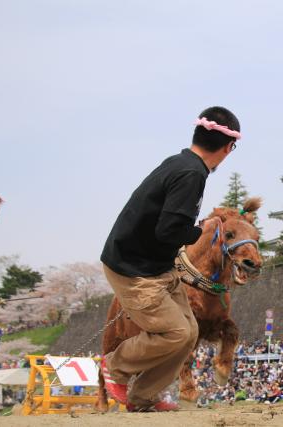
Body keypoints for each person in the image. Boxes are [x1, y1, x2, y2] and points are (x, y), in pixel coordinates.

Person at [100, 106, 242, 412]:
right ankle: (116, 365)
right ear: (228, 148)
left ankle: (143, 397)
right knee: (176, 332)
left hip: (154, 264)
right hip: (133, 268)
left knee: (189, 334)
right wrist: (201, 230)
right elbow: (169, 231)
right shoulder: (191, 173)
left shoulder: (182, 163)